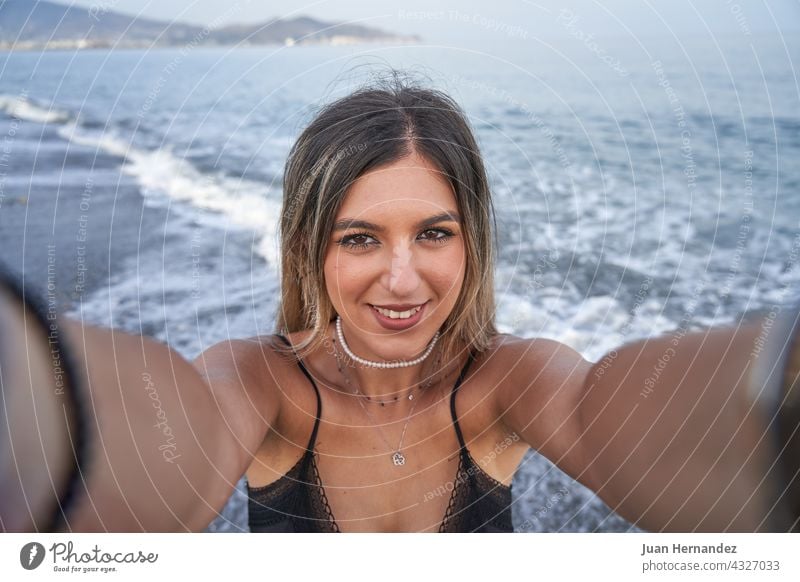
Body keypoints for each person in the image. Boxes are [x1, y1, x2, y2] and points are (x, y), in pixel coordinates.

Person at [1, 78, 798, 533]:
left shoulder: (507, 381)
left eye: (434, 233)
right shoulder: (259, 384)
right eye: (359, 239)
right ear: (308, 245)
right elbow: (167, 435)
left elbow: (611, 414)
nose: (403, 279)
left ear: (471, 241)